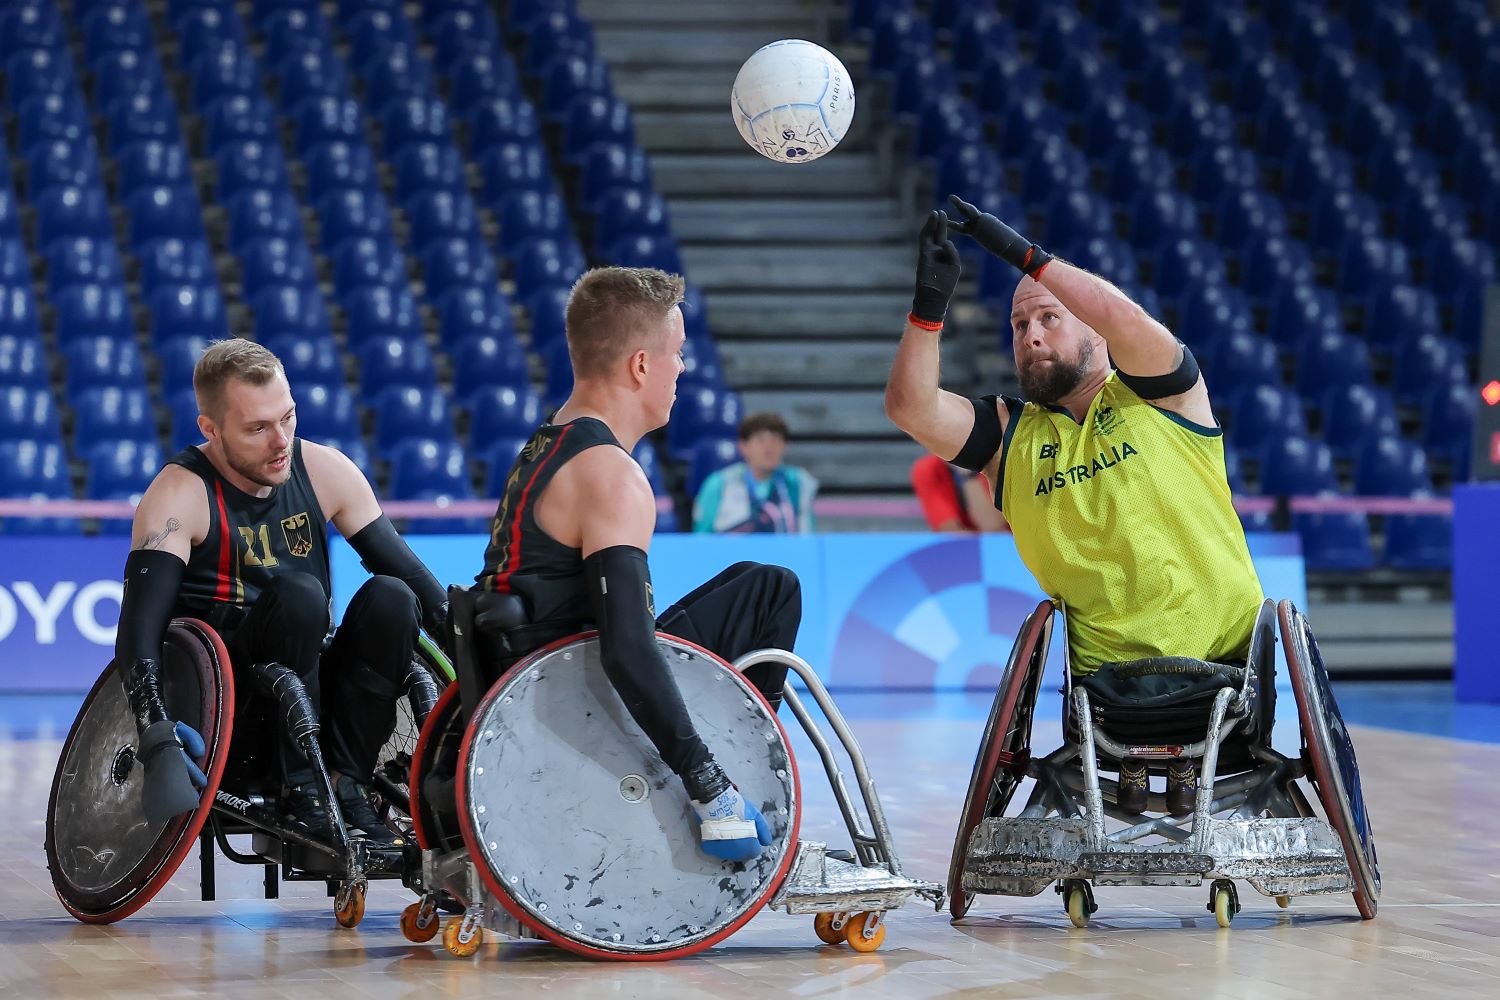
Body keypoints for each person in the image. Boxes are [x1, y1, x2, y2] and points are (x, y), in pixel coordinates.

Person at [884, 198, 1264, 816]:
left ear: (1094, 329)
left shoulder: (1165, 392)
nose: (1030, 335)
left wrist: (1022, 256)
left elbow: (1123, 314)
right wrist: (929, 308)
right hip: (1107, 693)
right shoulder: (1008, 438)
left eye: (1049, 318)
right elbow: (910, 409)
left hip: (1227, 666)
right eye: (1018, 326)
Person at [474, 266, 802, 862]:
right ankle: (739, 789)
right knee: (773, 592)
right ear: (642, 365)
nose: (683, 368)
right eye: (677, 353)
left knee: (757, 584)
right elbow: (626, 647)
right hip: (573, 690)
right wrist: (706, 784)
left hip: (532, 672)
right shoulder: (612, 475)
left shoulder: (548, 441)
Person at [115, 339, 449, 845]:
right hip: (236, 713)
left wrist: (489, 670)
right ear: (211, 428)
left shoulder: (325, 469)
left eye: (288, 418)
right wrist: (155, 732)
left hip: (317, 693)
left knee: (392, 598)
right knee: (300, 595)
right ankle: (303, 792)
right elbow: (139, 634)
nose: (280, 441)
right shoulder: (178, 494)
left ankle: (347, 783)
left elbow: (423, 591)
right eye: (257, 428)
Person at [692, 412, 818, 533]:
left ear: (785, 446)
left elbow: (807, 537)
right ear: (743, 447)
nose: (769, 448)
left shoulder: (798, 482)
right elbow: (702, 539)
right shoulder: (719, 484)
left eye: (775, 440)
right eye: (761, 440)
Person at [910, 453, 1009, 532]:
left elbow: (993, 527)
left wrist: (969, 473)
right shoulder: (927, 468)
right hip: (966, 550)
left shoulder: (994, 460)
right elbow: (950, 531)